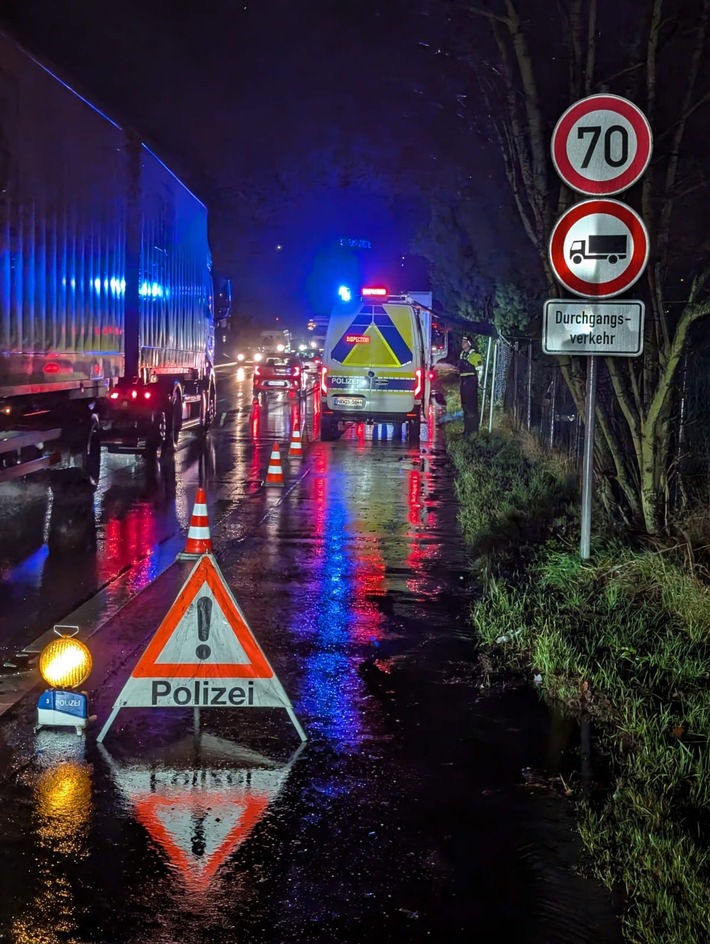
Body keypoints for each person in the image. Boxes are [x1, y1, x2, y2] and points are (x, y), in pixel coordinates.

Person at [458, 335, 482, 434]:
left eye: (464, 342)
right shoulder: (462, 354)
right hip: (463, 381)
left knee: (471, 406)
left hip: (471, 381)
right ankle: (467, 429)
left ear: (469, 343)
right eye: (462, 342)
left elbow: (480, 369)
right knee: (465, 406)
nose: (462, 344)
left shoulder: (475, 355)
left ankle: (473, 430)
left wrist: (479, 382)